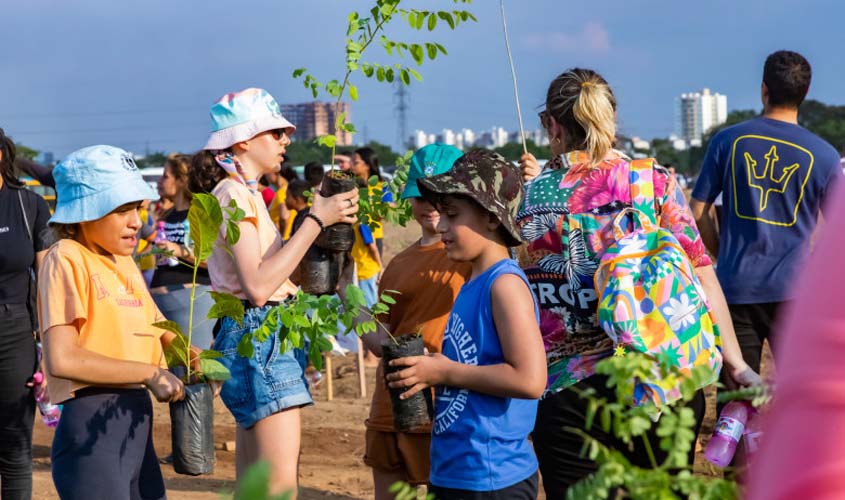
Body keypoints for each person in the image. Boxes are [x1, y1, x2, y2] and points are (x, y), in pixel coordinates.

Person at [518, 68, 761, 496]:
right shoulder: (654, 182)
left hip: (568, 390)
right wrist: (736, 363)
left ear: (552, 126)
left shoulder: (526, 198)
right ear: (610, 117)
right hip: (661, 380)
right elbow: (701, 273)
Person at [189, 87, 358, 496]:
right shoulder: (233, 194)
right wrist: (317, 220)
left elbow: (275, 277)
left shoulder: (245, 193)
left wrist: (320, 234)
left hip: (256, 333)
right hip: (258, 332)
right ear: (243, 141)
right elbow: (260, 287)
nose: (285, 140)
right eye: (275, 133)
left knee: (256, 487)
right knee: (279, 488)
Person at [387, 149, 546, 499]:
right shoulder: (474, 281)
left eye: (453, 215)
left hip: (492, 477)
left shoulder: (504, 285)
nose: (441, 226)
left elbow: (530, 379)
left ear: (492, 218)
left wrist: (444, 373)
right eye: (441, 213)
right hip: (457, 470)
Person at [39, 145, 189, 500]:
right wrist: (150, 374)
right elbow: (63, 359)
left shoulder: (124, 262)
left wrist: (204, 360)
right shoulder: (67, 258)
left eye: (136, 208)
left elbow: (160, 330)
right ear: (84, 212)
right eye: (121, 209)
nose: (136, 220)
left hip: (135, 418)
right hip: (93, 425)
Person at [690, 50, 842, 384]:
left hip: (734, 288)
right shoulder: (825, 155)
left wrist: (719, 253)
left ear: (764, 89)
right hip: (797, 292)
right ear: (805, 93)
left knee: (735, 402)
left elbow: (697, 212)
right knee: (801, 394)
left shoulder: (728, 140)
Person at [358, 144, 470, 498]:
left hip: (451, 400)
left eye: (440, 195)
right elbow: (381, 338)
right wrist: (355, 312)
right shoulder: (398, 264)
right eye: (420, 196)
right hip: (393, 401)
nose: (430, 205)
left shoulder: (475, 259)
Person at [747, 184, 845, 500]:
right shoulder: (823, 154)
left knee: (742, 403)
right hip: (793, 285)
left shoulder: (724, 144)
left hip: (742, 286)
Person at [0, 127, 51, 500]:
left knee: (15, 448)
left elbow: (49, 283)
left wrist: (50, 347)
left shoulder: (28, 204)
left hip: (14, 330)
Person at [149, 153, 215, 350]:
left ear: (181, 180)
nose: (160, 182)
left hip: (191, 300)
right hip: (164, 300)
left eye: (165, 176)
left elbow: (211, 260)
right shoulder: (167, 215)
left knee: (192, 366)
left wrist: (179, 250)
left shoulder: (198, 214)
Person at [352, 147, 394, 256]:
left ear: (367, 165)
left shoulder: (381, 186)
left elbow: (390, 209)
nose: (351, 165)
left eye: (355, 162)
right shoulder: (350, 185)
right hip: (351, 237)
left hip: (373, 236)